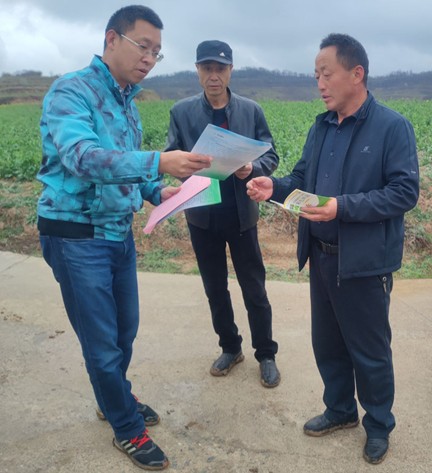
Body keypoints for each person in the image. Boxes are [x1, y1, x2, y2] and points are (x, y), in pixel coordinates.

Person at [36, 5, 211, 471]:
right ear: (112, 39)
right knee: (101, 342)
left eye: (157, 52)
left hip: (117, 231)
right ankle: (126, 426)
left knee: (124, 330)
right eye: (143, 47)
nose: (150, 58)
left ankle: (112, 395)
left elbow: (128, 168)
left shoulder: (127, 102)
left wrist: (158, 191)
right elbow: (82, 157)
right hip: (76, 234)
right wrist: (159, 161)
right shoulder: (71, 91)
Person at [247, 33, 419, 464]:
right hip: (322, 256)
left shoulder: (391, 127)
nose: (320, 84)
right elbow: (301, 180)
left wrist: (341, 207)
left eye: (327, 74)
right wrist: (273, 188)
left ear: (356, 74)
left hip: (363, 263)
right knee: (328, 343)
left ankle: (378, 424)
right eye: (316, 76)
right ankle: (340, 410)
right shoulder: (321, 126)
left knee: (370, 351)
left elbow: (403, 192)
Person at [165, 40, 281, 388]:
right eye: (207, 68)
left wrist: (252, 167)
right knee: (215, 288)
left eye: (220, 68)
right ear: (197, 71)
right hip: (202, 216)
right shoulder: (181, 112)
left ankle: (266, 353)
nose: (213, 75)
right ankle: (230, 347)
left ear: (230, 71)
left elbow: (270, 155)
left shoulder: (251, 110)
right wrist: (189, 167)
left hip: (242, 216)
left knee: (254, 288)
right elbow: (171, 156)